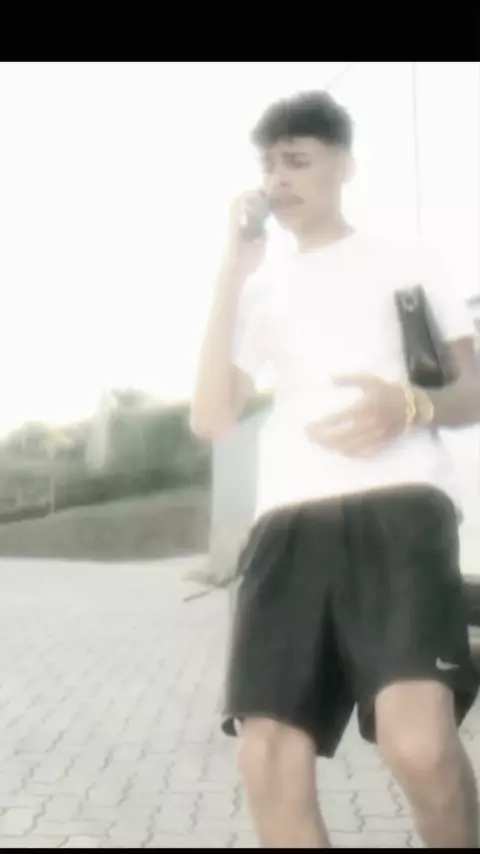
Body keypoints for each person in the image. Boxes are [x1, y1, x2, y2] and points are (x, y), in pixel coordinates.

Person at [190, 90, 480, 848]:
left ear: (343, 167)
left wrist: (410, 405)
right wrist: (230, 272)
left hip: (401, 504)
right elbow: (212, 416)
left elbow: (473, 390)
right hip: (287, 520)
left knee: (419, 746)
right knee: (266, 758)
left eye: (297, 160)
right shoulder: (258, 288)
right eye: (268, 165)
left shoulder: (407, 259)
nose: (278, 179)